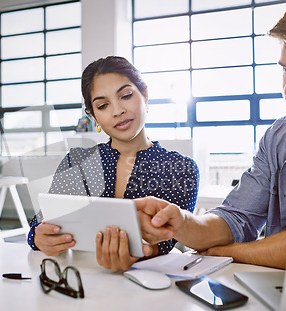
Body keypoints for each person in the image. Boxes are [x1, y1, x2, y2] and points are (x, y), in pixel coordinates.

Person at [135, 0, 286, 270]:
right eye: (285, 70)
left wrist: (228, 252)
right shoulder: (279, 135)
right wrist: (182, 223)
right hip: (279, 290)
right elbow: (237, 216)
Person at [27, 56, 199, 271]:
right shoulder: (78, 161)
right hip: (80, 277)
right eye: (103, 105)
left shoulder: (180, 168)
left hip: (147, 281)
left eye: (125, 95)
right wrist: (38, 237)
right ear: (94, 117)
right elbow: (43, 221)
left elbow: (167, 240)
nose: (117, 111)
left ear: (145, 95)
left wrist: (143, 252)